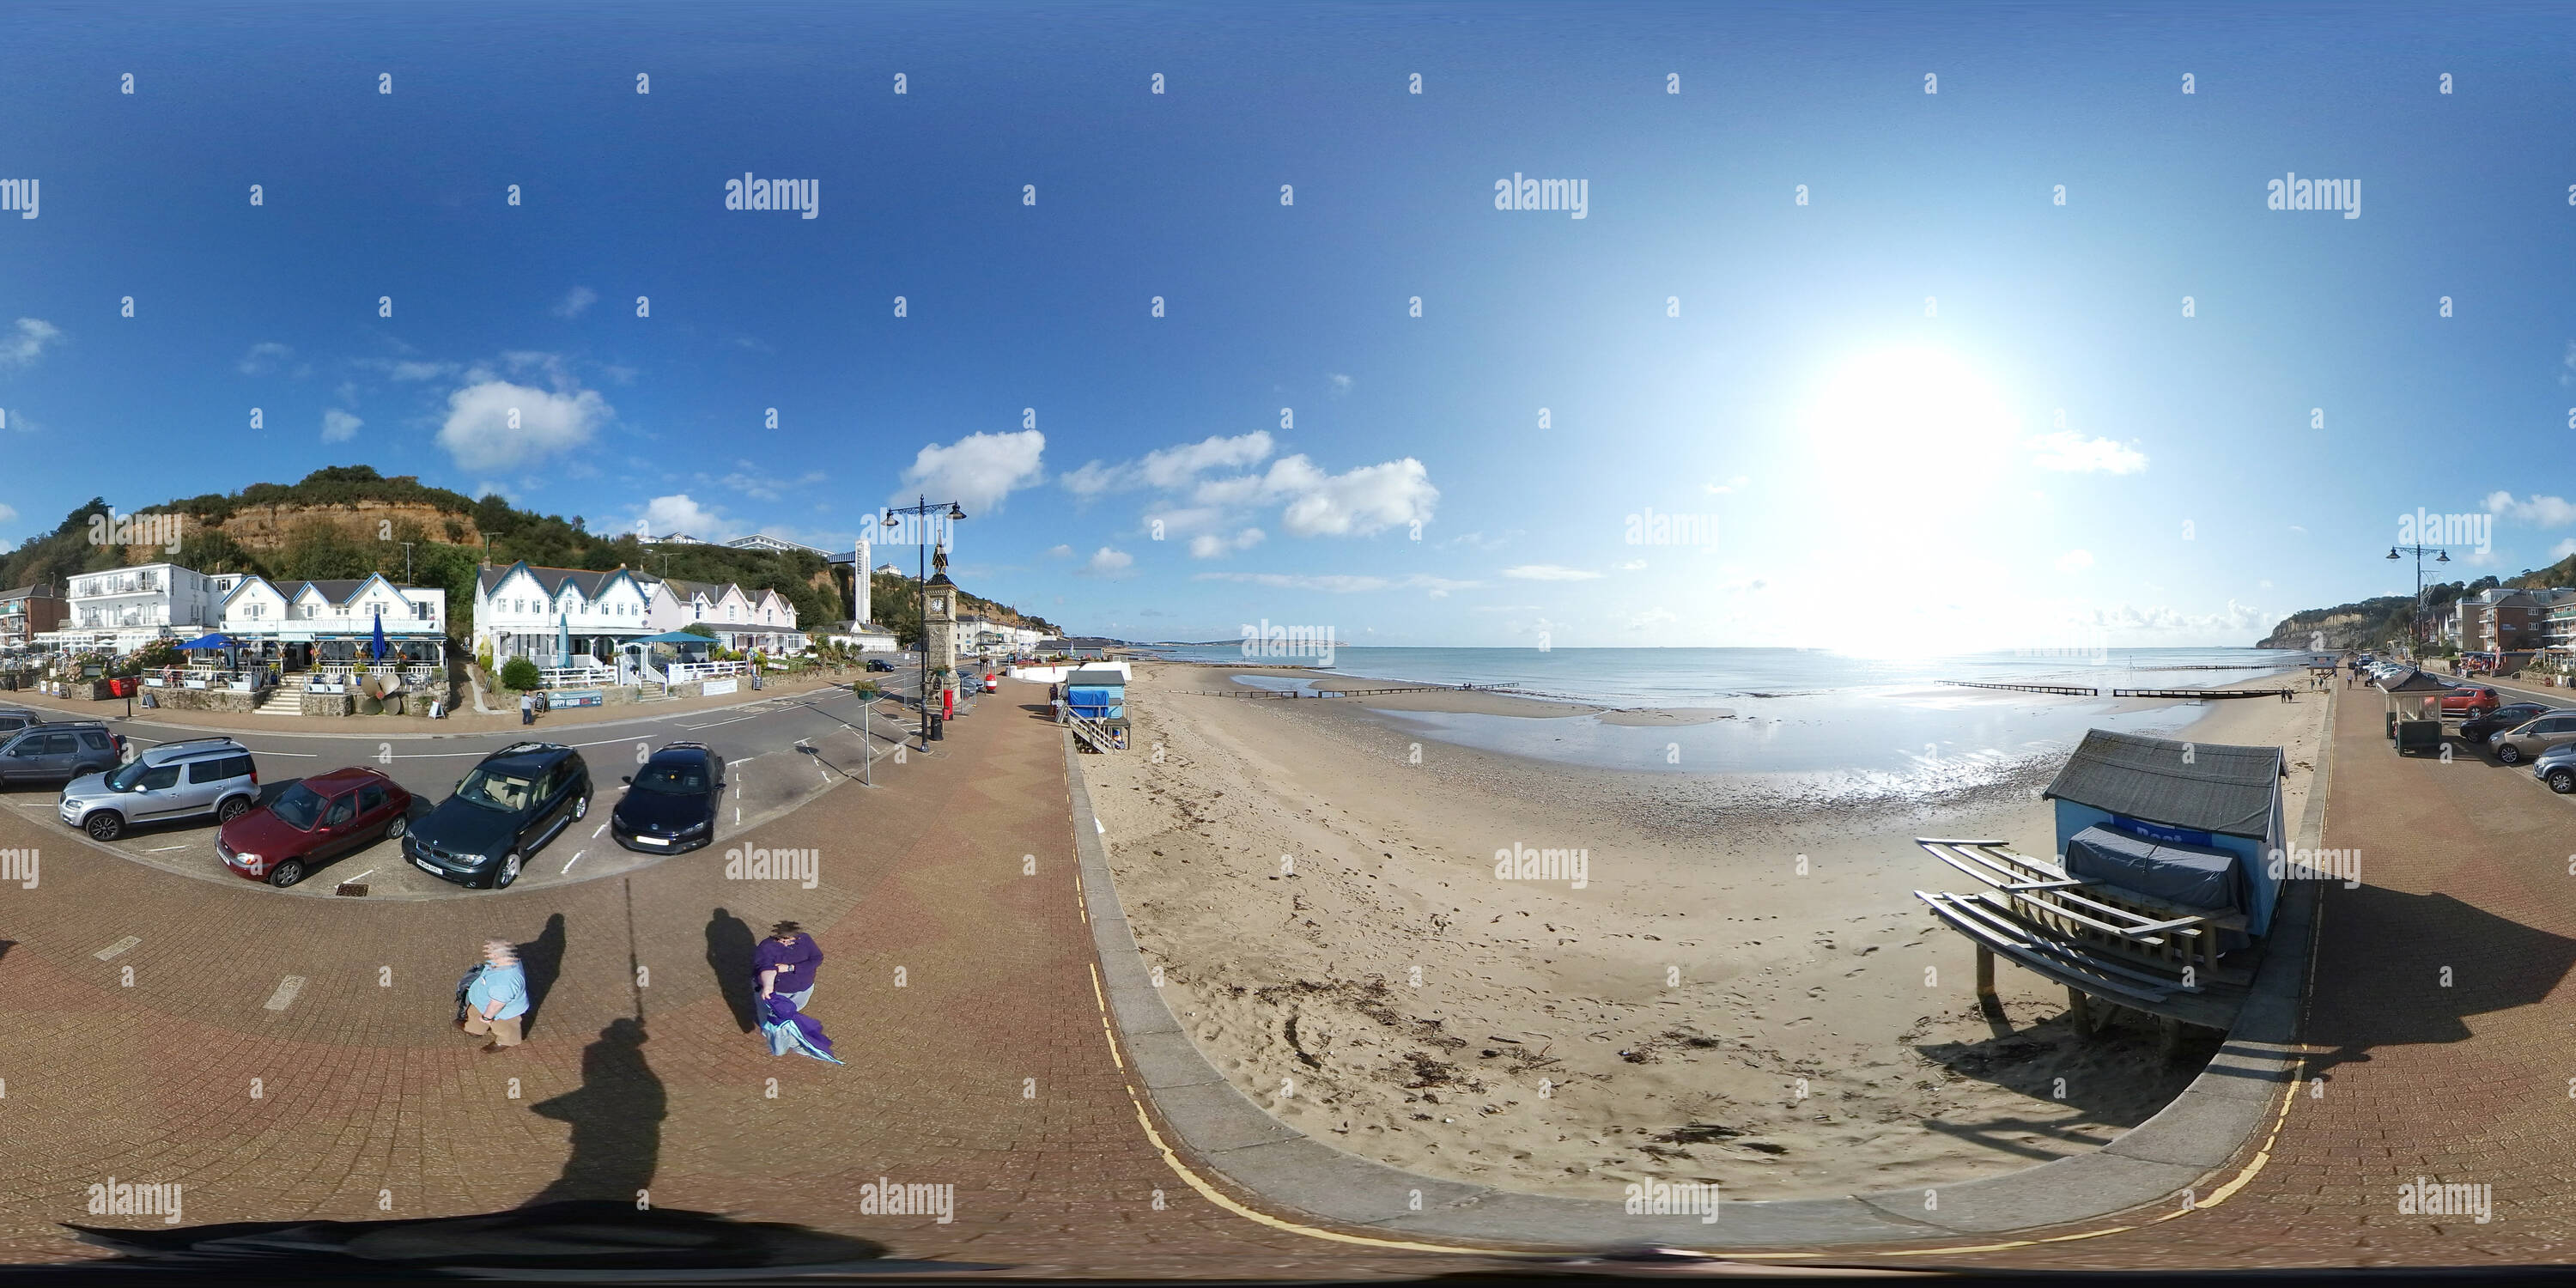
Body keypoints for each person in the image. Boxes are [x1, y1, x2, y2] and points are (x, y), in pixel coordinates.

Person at [460, 939, 530, 1054]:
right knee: (474, 1013)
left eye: (490, 951)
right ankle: (475, 1030)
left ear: (496, 955)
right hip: (482, 1002)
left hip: (503, 1012)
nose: (487, 953)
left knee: (505, 1027)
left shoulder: (505, 983)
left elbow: (496, 1005)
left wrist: (487, 1017)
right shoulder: (507, 962)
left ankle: (506, 1041)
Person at [754, 920, 822, 1011]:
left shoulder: (805, 939)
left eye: (790, 940)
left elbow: (817, 958)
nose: (785, 942)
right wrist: (768, 986)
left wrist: (790, 968)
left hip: (805, 988)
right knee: (773, 1013)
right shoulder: (767, 947)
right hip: (781, 991)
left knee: (794, 1010)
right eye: (782, 939)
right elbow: (767, 969)